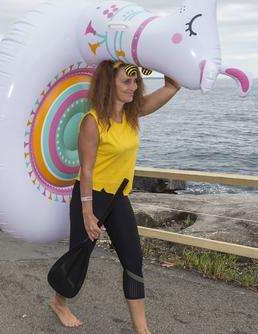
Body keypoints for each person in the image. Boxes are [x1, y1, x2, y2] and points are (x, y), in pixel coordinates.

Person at [50, 61, 181, 332]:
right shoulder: (92, 121)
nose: (133, 87)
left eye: (136, 82)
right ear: (109, 85)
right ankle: (60, 303)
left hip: (119, 197)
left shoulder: (134, 113)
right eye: (126, 82)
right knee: (79, 257)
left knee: (133, 259)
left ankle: (141, 328)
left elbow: (172, 85)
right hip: (91, 197)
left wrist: (159, 57)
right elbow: (85, 170)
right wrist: (87, 212)